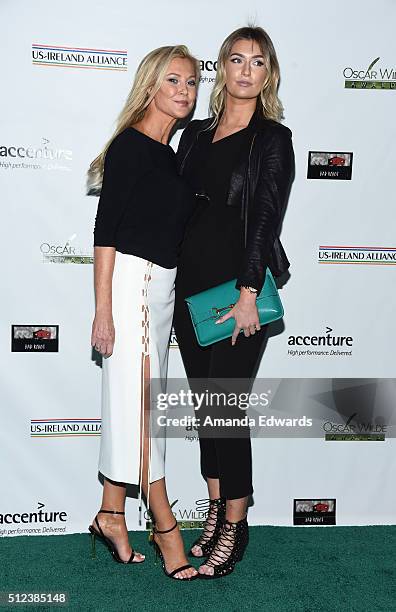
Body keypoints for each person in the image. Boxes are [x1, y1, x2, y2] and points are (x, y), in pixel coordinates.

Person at [173, 26, 294, 578]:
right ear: (220, 67)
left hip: (239, 294)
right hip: (190, 290)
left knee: (227, 409)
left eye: (258, 62)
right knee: (206, 412)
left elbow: (266, 217)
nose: (246, 70)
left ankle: (236, 526)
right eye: (236, 59)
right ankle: (217, 514)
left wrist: (249, 292)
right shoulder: (193, 136)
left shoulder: (273, 138)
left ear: (268, 74)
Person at [88, 45, 200, 581]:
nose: (184, 90)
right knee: (143, 411)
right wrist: (102, 311)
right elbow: (105, 233)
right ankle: (164, 525)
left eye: (192, 81)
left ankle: (112, 513)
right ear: (151, 86)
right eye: (173, 79)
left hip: (162, 291)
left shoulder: (172, 155)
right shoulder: (131, 148)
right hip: (132, 285)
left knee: (140, 403)